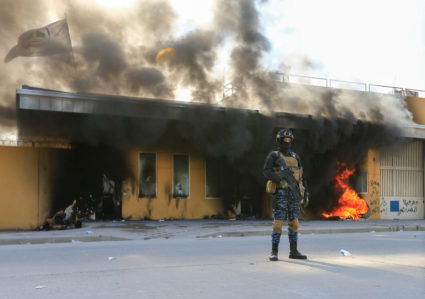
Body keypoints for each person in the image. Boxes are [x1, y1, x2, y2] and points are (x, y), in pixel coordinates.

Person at [263, 128, 309, 261]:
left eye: (289, 140)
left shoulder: (295, 157)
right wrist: (279, 181)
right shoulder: (274, 155)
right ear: (279, 140)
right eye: (285, 140)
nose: (287, 142)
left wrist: (306, 192)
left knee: (294, 223)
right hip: (280, 194)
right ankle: (274, 252)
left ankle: (293, 251)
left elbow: (302, 175)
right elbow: (266, 171)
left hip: (294, 194)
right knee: (278, 224)